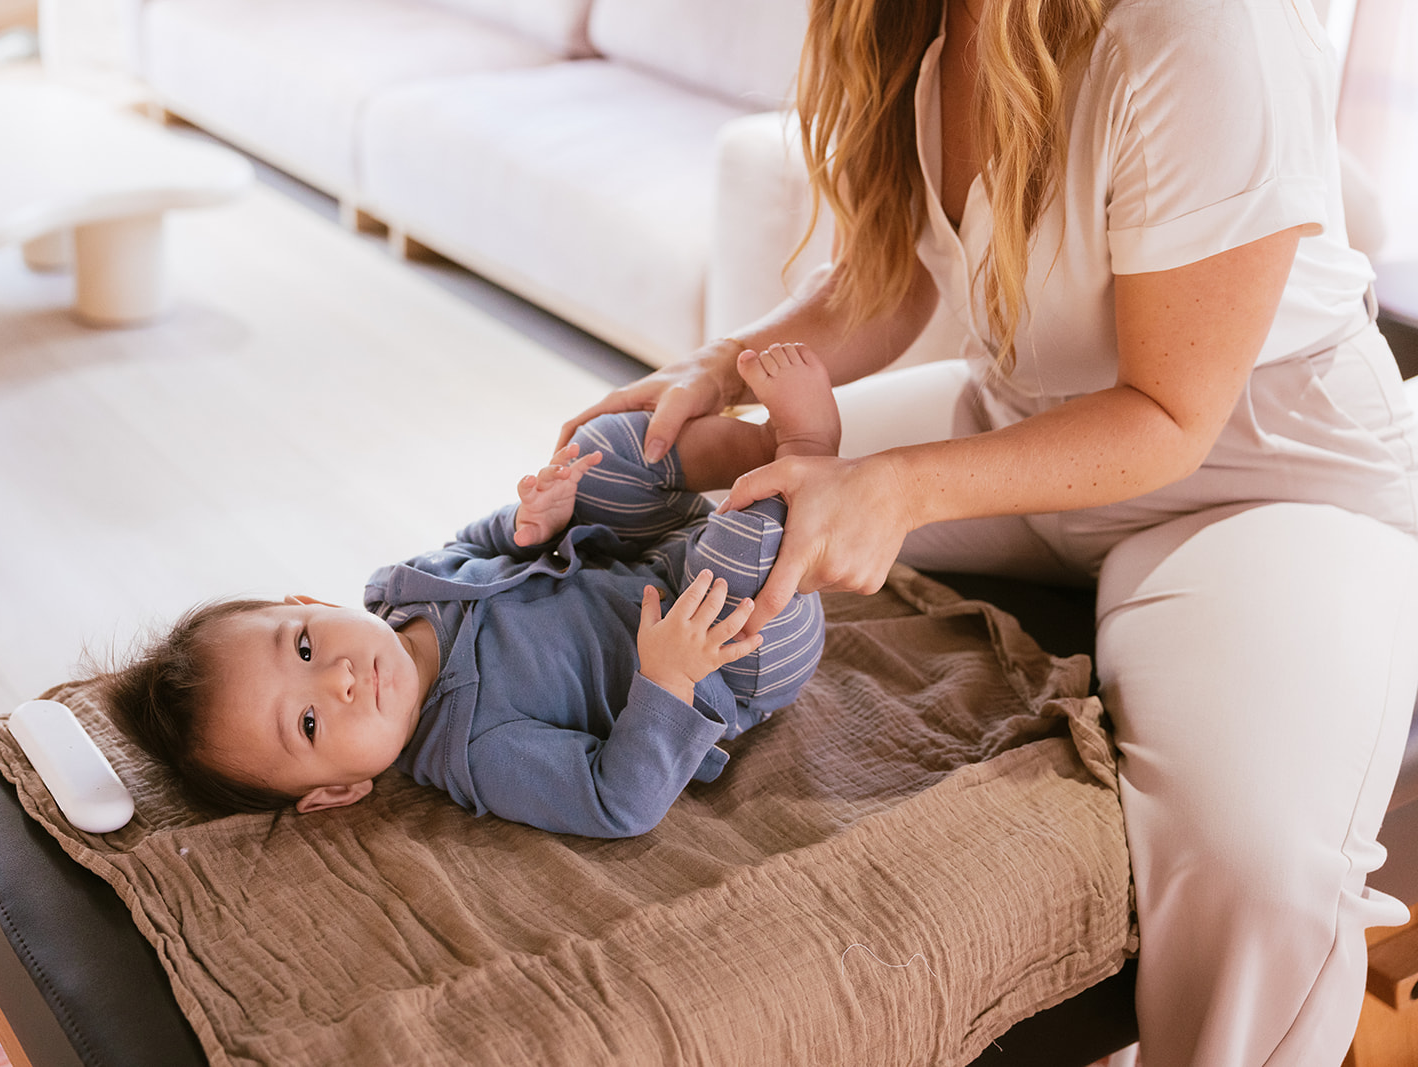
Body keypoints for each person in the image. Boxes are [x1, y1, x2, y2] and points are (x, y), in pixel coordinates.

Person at [560, 0, 1418, 1062]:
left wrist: (898, 490)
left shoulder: (1206, 27)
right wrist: (713, 367)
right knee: (687, 489)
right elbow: (892, 274)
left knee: (1258, 867)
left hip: (1260, 481)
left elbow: (1171, 413)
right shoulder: (915, 18)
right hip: (1027, 422)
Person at [102, 346, 834, 838]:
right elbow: (620, 802)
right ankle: (807, 454)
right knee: (748, 558)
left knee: (601, 449)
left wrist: (528, 525)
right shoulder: (478, 748)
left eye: (304, 647)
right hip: (729, 652)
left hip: (653, 553)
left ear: (313, 605)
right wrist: (669, 680)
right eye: (311, 725)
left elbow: (474, 547)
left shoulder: (400, 592)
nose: (341, 679)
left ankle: (762, 450)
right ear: (335, 792)